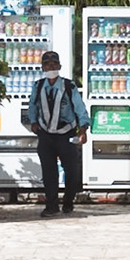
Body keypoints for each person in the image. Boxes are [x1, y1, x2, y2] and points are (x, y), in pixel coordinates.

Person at [25, 50, 89, 215]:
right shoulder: (38, 86)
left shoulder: (68, 86)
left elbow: (79, 108)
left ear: (59, 66)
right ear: (42, 67)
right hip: (45, 134)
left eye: (54, 64)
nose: (51, 67)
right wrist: (33, 121)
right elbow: (32, 105)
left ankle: (68, 202)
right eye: (47, 64)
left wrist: (83, 128)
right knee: (49, 172)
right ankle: (51, 205)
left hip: (66, 133)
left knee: (71, 171)